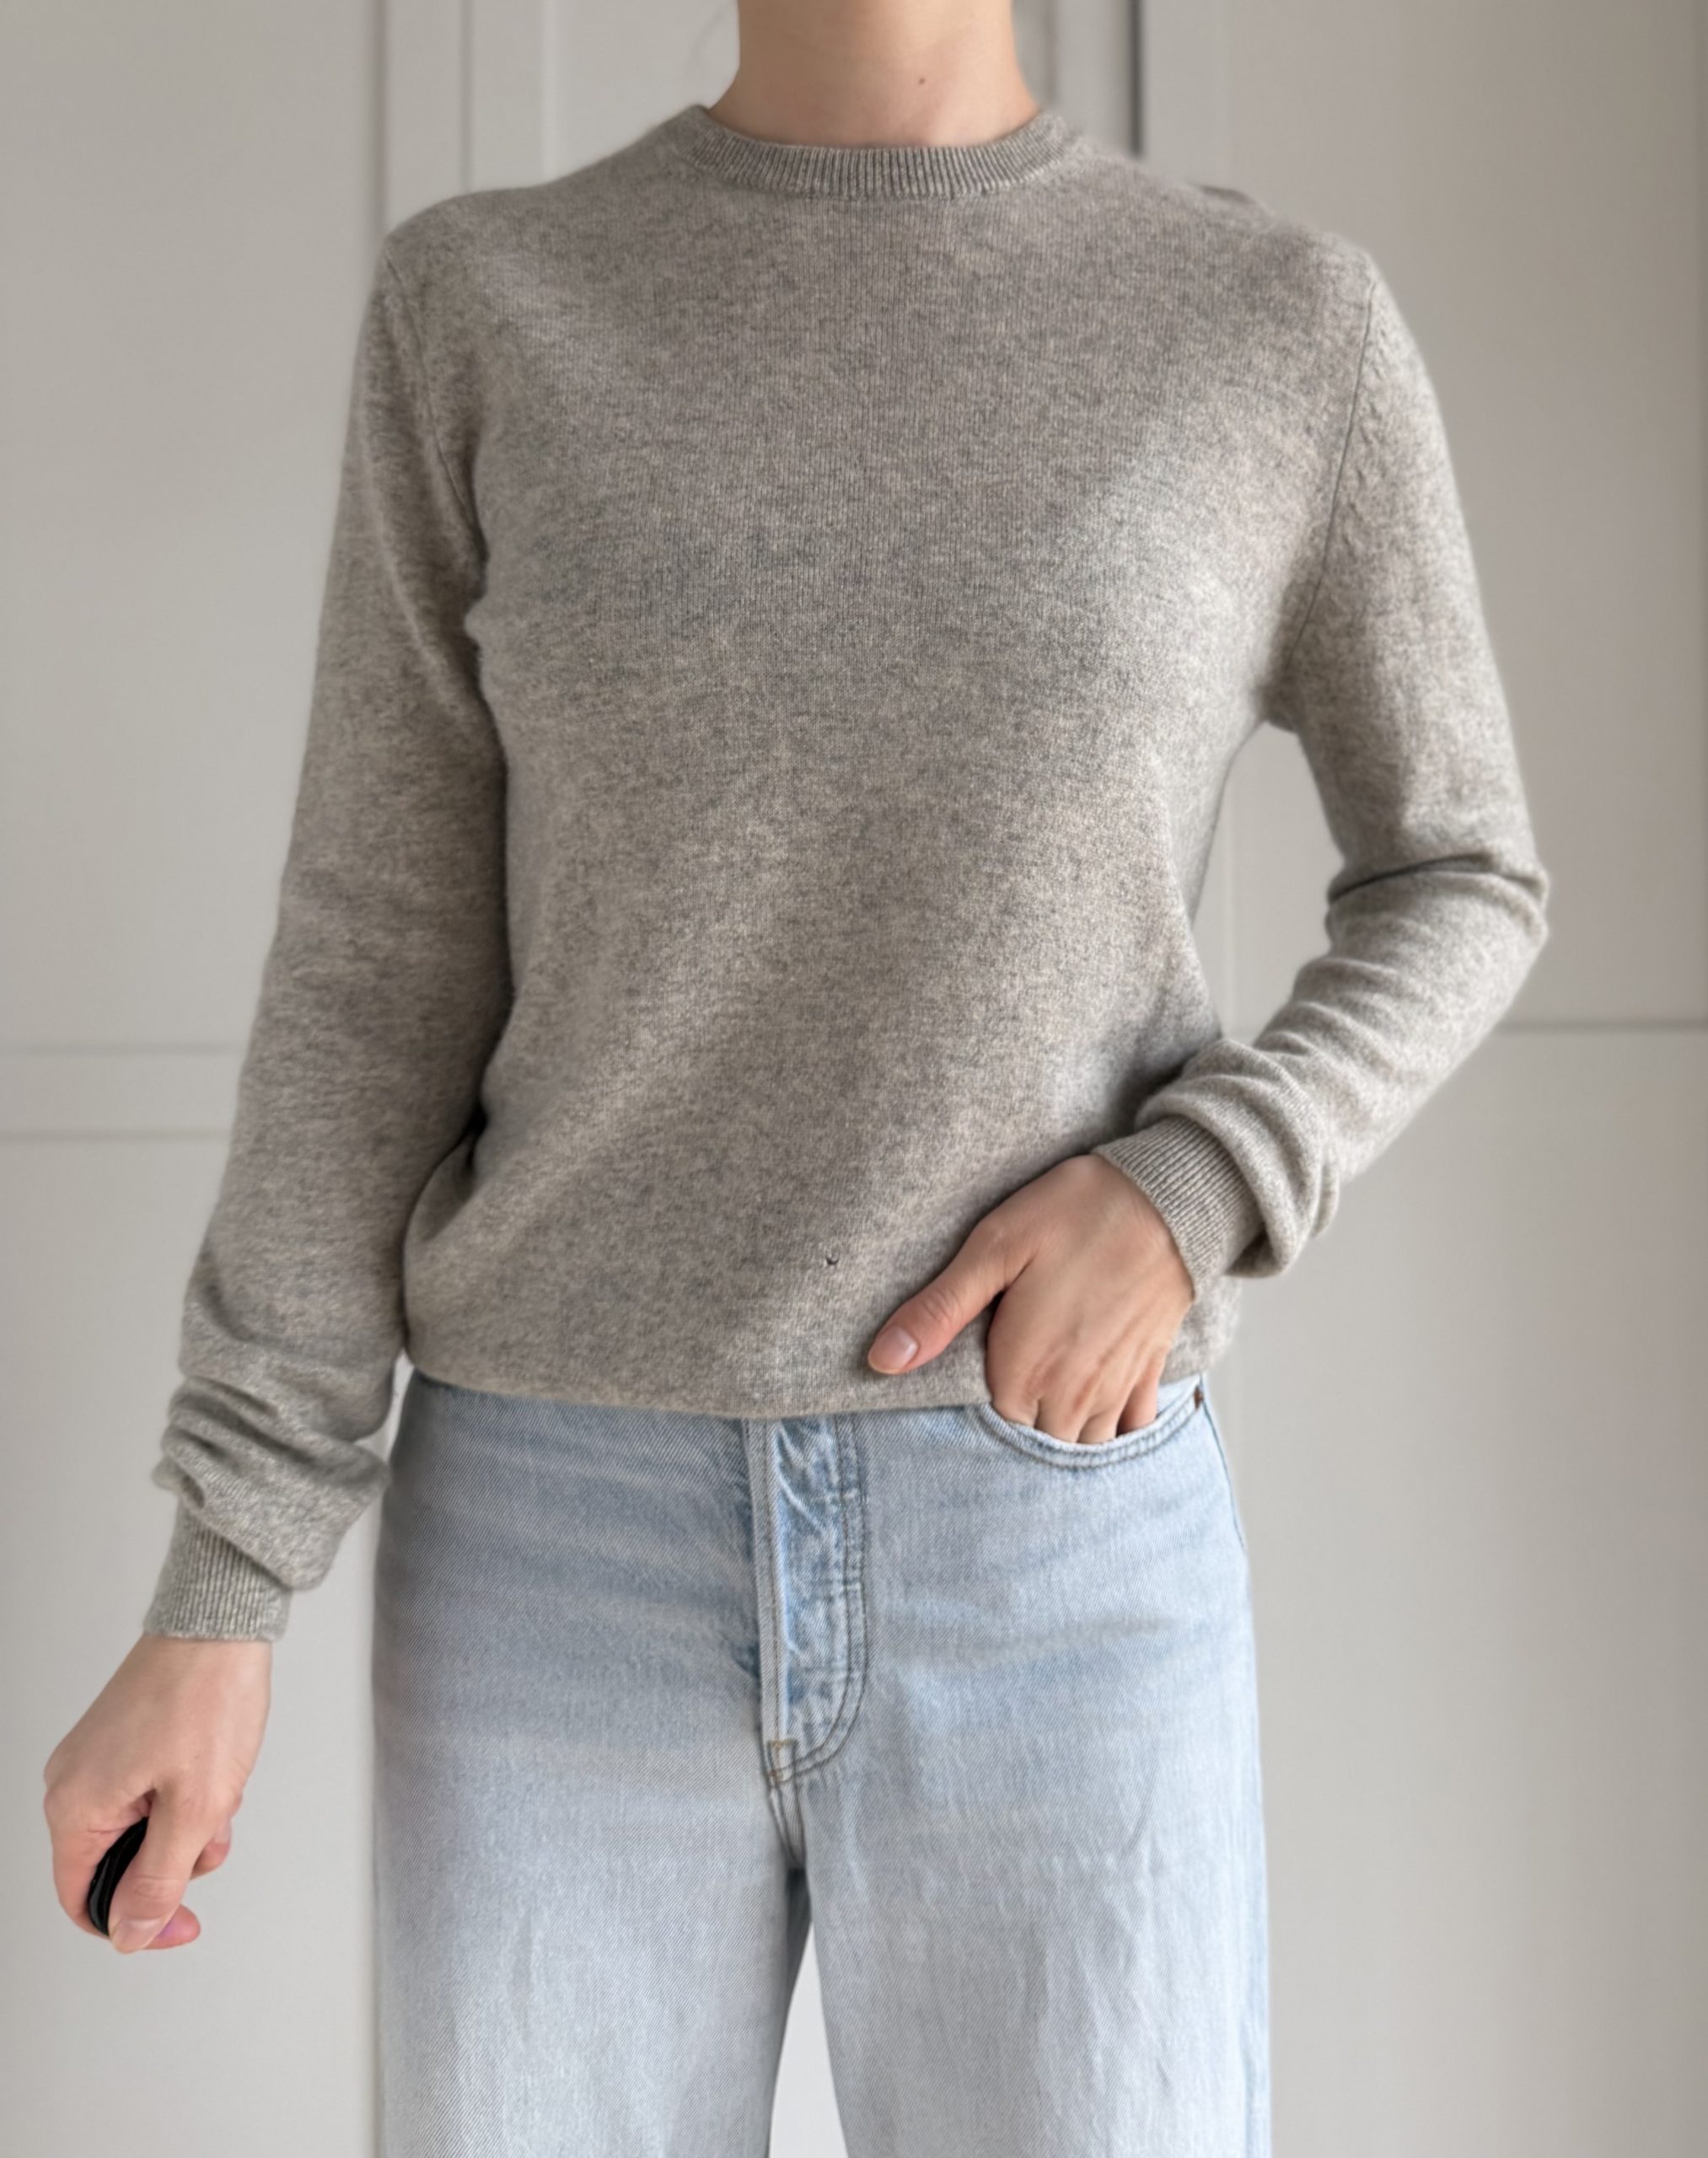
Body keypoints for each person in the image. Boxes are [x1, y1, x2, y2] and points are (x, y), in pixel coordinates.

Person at [41, 1, 1550, 2150]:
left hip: (1044, 1534)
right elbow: (377, 962)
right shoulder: (488, 305)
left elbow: (1457, 869)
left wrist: (1198, 1179)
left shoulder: (1268, 325)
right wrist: (224, 1578)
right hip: (550, 1554)